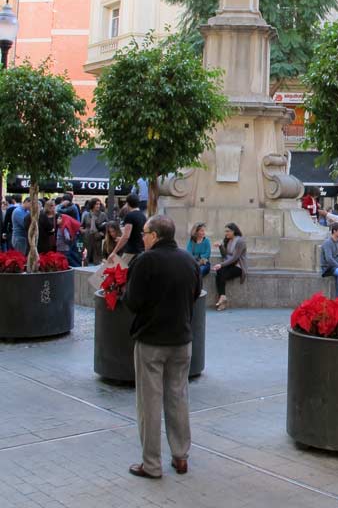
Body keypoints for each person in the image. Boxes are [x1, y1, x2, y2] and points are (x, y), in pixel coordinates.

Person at [124, 215, 202, 479]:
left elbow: (132, 302)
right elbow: (195, 295)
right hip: (181, 340)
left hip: (152, 340)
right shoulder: (188, 260)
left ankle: (151, 463)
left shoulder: (145, 261)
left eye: (144, 232)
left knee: (149, 401)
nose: (142, 236)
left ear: (155, 236)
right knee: (178, 397)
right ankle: (181, 456)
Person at [211, 223, 247, 311]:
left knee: (221, 273)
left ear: (233, 231)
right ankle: (223, 298)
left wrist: (221, 264)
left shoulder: (240, 241)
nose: (226, 233)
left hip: (239, 267)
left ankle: (222, 299)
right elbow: (225, 255)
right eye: (225, 231)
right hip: (229, 264)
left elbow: (235, 258)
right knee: (219, 272)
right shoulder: (228, 240)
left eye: (228, 231)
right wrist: (220, 246)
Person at [108, 193, 147, 261]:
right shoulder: (143, 216)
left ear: (127, 203)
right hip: (141, 250)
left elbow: (126, 236)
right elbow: (137, 233)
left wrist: (114, 252)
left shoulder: (130, 216)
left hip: (131, 251)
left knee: (122, 270)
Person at [81, 198, 108, 266]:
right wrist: (83, 231)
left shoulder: (103, 215)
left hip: (97, 238)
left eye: (99, 204)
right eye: (96, 204)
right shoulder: (86, 215)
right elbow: (81, 226)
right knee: (86, 256)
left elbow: (107, 227)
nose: (98, 206)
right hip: (87, 238)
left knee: (97, 257)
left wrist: (101, 234)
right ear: (92, 205)